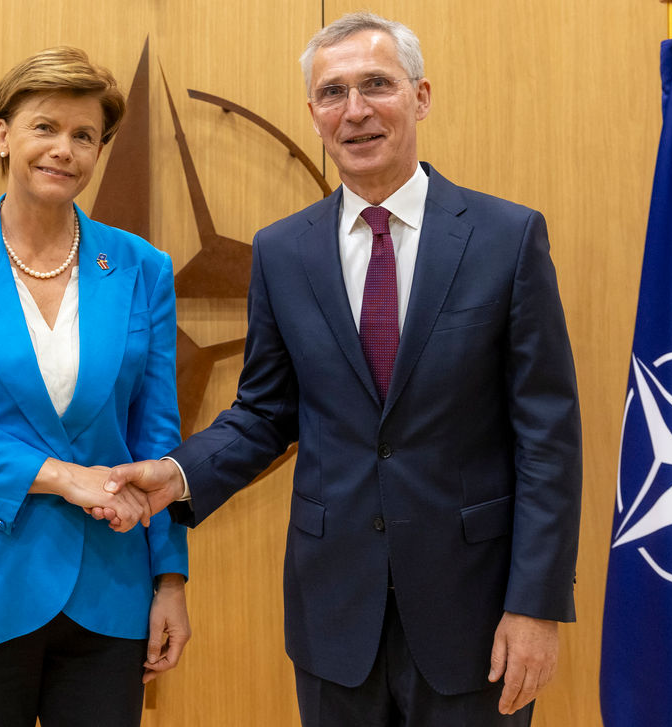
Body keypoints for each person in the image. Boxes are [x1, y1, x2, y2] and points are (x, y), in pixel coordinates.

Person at [100, 12, 581, 726]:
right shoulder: (283, 251)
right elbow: (265, 413)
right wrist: (177, 474)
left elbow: (548, 439)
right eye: (333, 93)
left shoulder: (506, 240)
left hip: (475, 613)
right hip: (333, 614)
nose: (355, 111)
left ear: (420, 96)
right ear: (314, 113)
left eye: (376, 85)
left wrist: (536, 605)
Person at [0, 46, 189, 727]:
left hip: (111, 593)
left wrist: (169, 579)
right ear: (2, 135)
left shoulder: (141, 267)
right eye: (44, 127)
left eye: (85, 136)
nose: (64, 150)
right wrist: (64, 477)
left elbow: (157, 436)